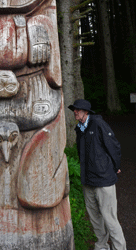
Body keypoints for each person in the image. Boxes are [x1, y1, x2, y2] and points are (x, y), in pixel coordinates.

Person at [68, 99, 127, 250]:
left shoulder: (98, 124)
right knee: (95, 219)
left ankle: (119, 248)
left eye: (78, 109)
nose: (75, 111)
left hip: (103, 180)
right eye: (74, 109)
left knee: (110, 219)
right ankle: (101, 247)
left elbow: (113, 145)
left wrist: (116, 165)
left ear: (86, 112)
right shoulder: (79, 129)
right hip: (88, 181)